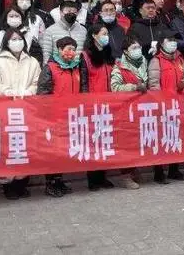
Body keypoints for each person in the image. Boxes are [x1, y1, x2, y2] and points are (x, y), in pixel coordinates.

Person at [0, 28, 42, 200]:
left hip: (27, 109)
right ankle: (8, 185)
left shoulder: (33, 62)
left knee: (25, 146)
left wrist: (29, 92)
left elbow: (37, 82)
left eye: (19, 39)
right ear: (6, 42)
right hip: (6, 111)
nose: (17, 42)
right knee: (8, 147)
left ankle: (22, 182)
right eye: (13, 39)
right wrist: (9, 91)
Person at [37, 37, 84, 197]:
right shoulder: (50, 68)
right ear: (59, 49)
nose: (71, 52)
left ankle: (59, 180)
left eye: (73, 49)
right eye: (68, 48)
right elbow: (43, 93)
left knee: (63, 151)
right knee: (53, 152)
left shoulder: (75, 68)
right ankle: (50, 183)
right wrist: (47, 114)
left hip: (71, 117)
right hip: (54, 117)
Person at [79, 24, 118, 191]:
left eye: (107, 33)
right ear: (94, 36)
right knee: (93, 142)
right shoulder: (85, 56)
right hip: (93, 105)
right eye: (103, 33)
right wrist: (86, 102)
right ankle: (92, 178)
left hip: (108, 104)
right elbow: (83, 81)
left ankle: (103, 176)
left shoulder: (109, 54)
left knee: (105, 141)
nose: (106, 36)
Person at [148, 33, 184, 183]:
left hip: (178, 105)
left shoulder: (180, 59)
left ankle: (174, 169)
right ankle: (159, 172)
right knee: (161, 138)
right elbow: (153, 85)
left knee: (175, 137)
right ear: (162, 43)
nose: (173, 43)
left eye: (174, 40)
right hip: (163, 105)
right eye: (169, 40)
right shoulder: (156, 61)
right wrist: (160, 104)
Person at [110, 37, 150, 189]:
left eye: (138, 47)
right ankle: (125, 175)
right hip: (126, 111)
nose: (137, 50)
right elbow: (115, 88)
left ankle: (134, 170)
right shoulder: (119, 68)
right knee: (127, 142)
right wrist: (133, 87)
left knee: (138, 141)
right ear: (126, 51)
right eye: (133, 48)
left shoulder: (144, 62)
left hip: (142, 109)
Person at [40, 0, 88, 64]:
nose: (71, 14)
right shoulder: (50, 31)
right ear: (61, 12)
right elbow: (47, 55)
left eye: (74, 12)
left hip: (78, 68)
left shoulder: (83, 30)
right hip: (58, 68)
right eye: (68, 11)